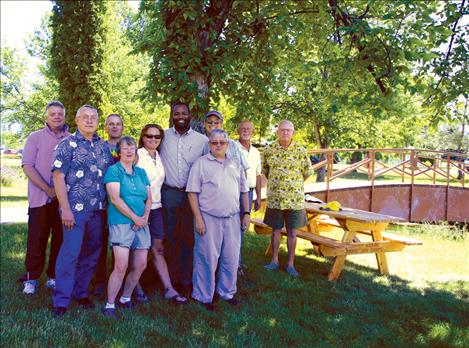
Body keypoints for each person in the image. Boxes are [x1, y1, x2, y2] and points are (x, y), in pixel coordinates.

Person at [51, 105, 114, 316]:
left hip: (99, 210)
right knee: (70, 253)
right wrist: (65, 209)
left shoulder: (104, 147)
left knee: (92, 254)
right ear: (77, 120)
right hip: (75, 210)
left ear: (97, 122)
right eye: (84, 117)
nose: (89, 120)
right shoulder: (66, 144)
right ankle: (61, 300)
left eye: (93, 117)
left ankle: (81, 292)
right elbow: (58, 177)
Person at [187, 129, 250, 311]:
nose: (218, 145)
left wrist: (246, 213)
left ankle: (227, 292)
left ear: (227, 144)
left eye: (222, 142)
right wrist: (198, 219)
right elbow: (192, 193)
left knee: (231, 257)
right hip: (208, 218)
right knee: (206, 258)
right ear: (209, 145)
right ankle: (203, 296)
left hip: (232, 218)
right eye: (214, 143)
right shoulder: (200, 164)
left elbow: (243, 191)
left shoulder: (235, 163)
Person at [159, 101, 207, 296]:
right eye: (176, 113)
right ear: (172, 115)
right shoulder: (163, 136)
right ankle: (169, 280)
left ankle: (186, 280)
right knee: (169, 237)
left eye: (184, 113)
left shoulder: (202, 140)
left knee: (188, 238)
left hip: (191, 195)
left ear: (190, 115)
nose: (180, 116)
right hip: (168, 193)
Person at [21, 101, 69, 295]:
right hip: (39, 199)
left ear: (64, 116)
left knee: (60, 239)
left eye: (60, 114)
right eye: (53, 114)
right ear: (46, 117)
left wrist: (59, 192)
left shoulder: (71, 139)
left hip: (62, 201)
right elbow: (27, 166)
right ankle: (31, 278)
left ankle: (53, 277)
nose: (57, 117)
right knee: (36, 239)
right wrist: (48, 189)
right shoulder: (35, 137)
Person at [136, 124, 187, 304]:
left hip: (156, 209)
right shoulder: (137, 155)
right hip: (139, 209)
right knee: (138, 249)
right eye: (149, 136)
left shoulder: (158, 155)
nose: (153, 139)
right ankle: (137, 288)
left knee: (158, 248)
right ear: (143, 137)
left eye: (157, 137)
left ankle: (169, 289)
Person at [102, 137, 152, 317]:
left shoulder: (141, 173)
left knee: (140, 264)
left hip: (142, 223)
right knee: (121, 265)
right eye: (125, 148)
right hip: (121, 222)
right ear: (119, 152)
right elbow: (115, 199)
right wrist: (135, 218)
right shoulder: (114, 171)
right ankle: (109, 304)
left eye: (132, 148)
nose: (129, 151)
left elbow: (149, 198)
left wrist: (144, 217)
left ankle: (125, 298)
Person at [262, 120, 311, 277]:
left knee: (292, 232)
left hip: (294, 199)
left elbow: (307, 172)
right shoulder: (269, 149)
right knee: (275, 230)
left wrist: (293, 184)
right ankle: (274, 261)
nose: (285, 133)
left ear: (293, 132)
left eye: (288, 130)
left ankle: (291, 264)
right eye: (282, 130)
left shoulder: (301, 150)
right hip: (275, 198)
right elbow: (266, 170)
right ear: (277, 132)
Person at [93, 113, 124, 298]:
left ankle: (120, 280)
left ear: (122, 127)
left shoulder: (128, 146)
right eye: (110, 124)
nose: (114, 127)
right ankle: (99, 281)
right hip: (101, 201)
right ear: (105, 127)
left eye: (118, 124)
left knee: (120, 244)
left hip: (122, 203)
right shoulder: (100, 147)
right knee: (100, 242)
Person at [235, 120, 262, 276]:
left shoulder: (256, 152)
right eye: (243, 128)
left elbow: (258, 175)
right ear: (238, 130)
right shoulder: (232, 147)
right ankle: (235, 263)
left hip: (249, 192)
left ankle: (237, 260)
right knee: (234, 227)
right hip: (235, 192)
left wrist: (258, 196)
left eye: (248, 129)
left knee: (243, 227)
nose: (245, 131)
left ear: (253, 131)